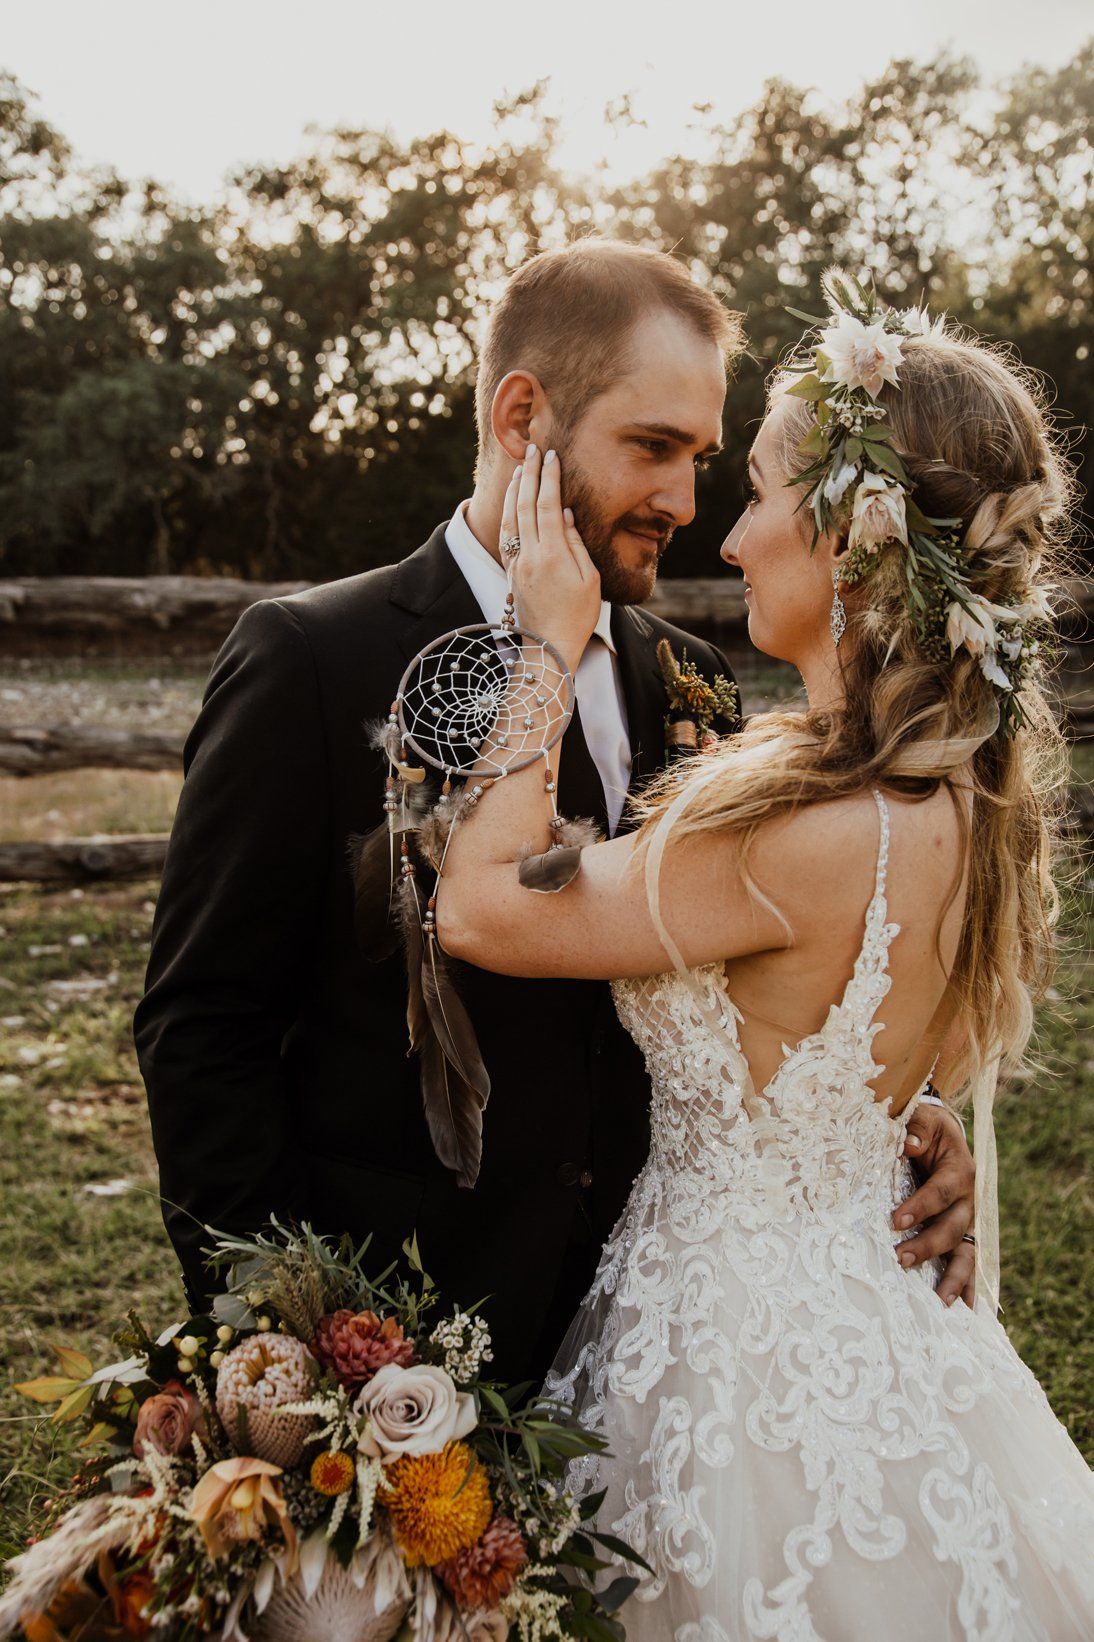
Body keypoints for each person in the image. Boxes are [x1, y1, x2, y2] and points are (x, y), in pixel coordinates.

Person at [134, 240, 975, 1387]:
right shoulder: (313, 659)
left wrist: (899, 1107)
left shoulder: (690, 676)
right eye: (651, 447)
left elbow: (764, 949)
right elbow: (204, 1026)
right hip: (404, 1330)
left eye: (703, 459)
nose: (684, 501)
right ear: (522, 415)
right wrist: (281, 1338)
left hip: (665, 1341)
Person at [436, 286, 1094, 1637]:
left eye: (755, 492)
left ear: (850, 543)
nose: (724, 533)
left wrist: (543, 642)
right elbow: (845, 1056)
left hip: (736, 1374)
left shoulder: (800, 829)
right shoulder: (956, 803)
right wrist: (905, 1125)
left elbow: (488, 909)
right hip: (883, 1329)